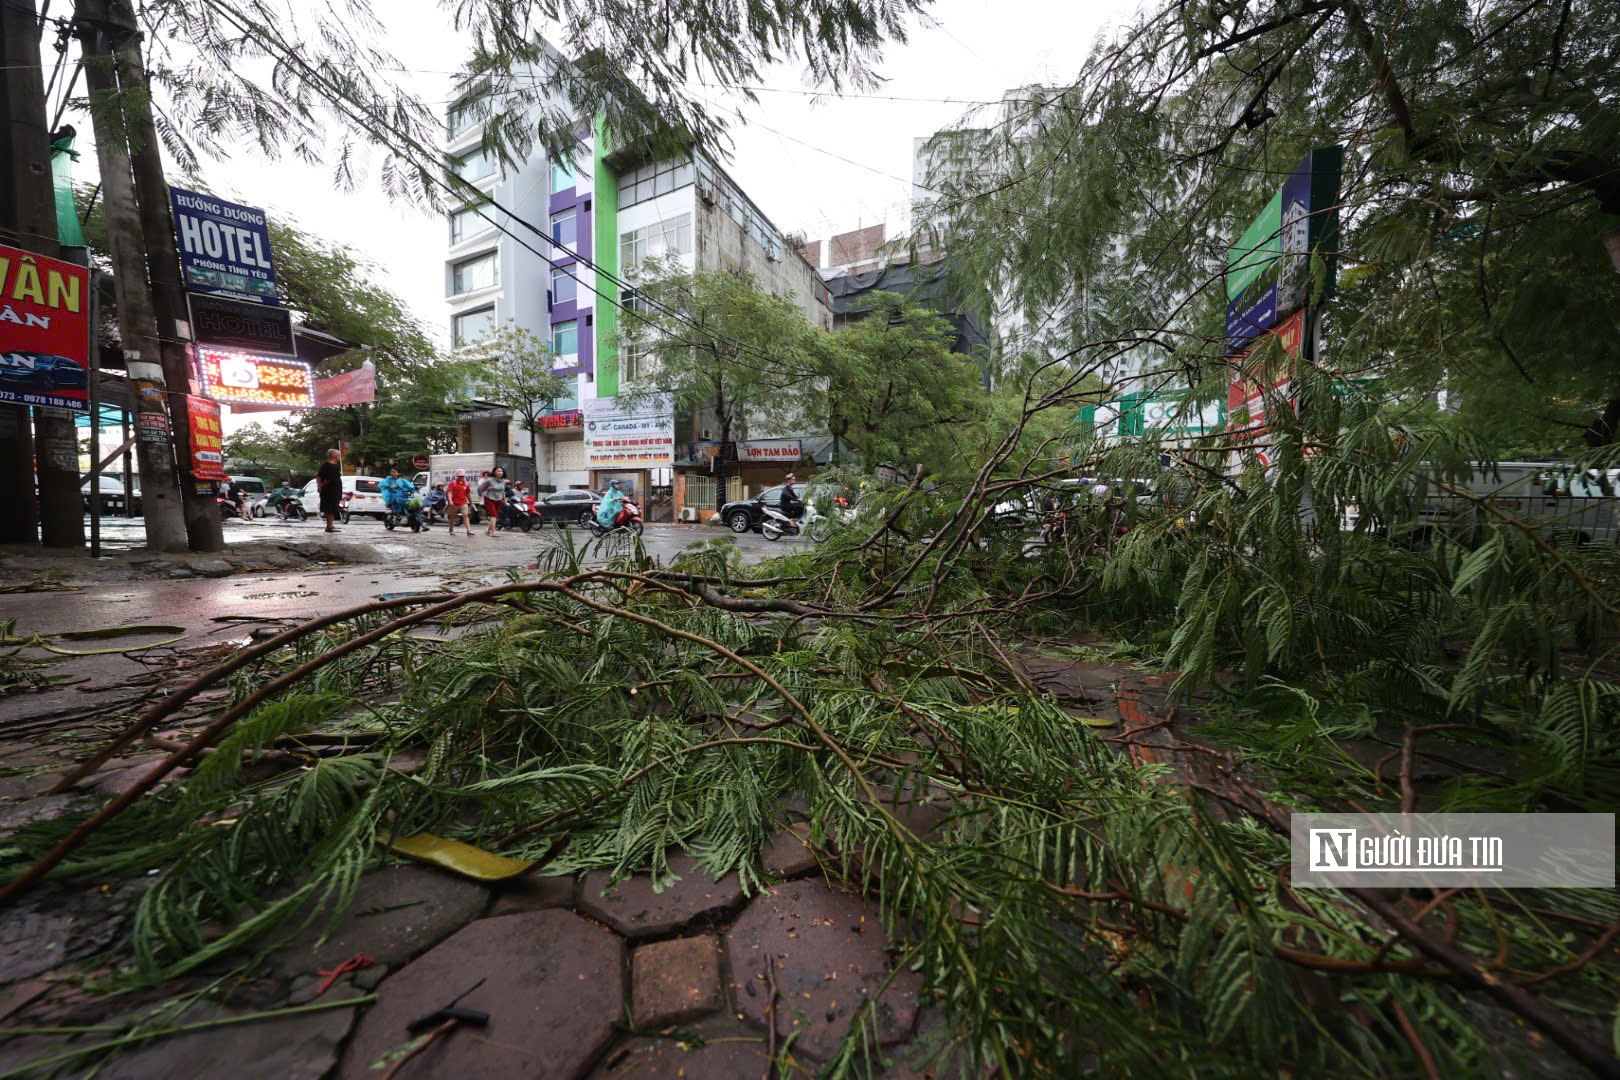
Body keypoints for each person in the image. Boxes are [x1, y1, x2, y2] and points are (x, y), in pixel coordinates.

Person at [317, 449, 343, 532]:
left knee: (330, 508)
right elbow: (326, 479)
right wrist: (321, 486)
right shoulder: (332, 466)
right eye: (338, 455)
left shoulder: (326, 465)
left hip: (329, 490)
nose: (339, 457)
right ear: (335, 456)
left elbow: (318, 477)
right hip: (330, 491)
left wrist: (319, 486)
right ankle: (329, 526)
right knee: (330, 508)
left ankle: (330, 526)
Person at [481, 466, 511, 536]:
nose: (500, 472)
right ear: (494, 472)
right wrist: (487, 489)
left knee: (495, 516)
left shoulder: (504, 481)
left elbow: (502, 491)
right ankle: (493, 532)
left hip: (499, 500)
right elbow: (481, 489)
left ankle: (488, 530)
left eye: (501, 471)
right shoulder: (489, 480)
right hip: (489, 499)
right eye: (498, 471)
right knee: (493, 515)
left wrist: (504, 499)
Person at [446, 469, 474, 536]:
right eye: (460, 476)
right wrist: (450, 500)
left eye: (462, 476)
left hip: (463, 503)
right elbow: (449, 492)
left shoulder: (466, 484)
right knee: (452, 516)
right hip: (454, 503)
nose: (461, 477)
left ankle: (469, 530)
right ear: (456, 476)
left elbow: (468, 494)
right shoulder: (452, 483)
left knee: (465, 515)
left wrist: (471, 502)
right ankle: (451, 529)